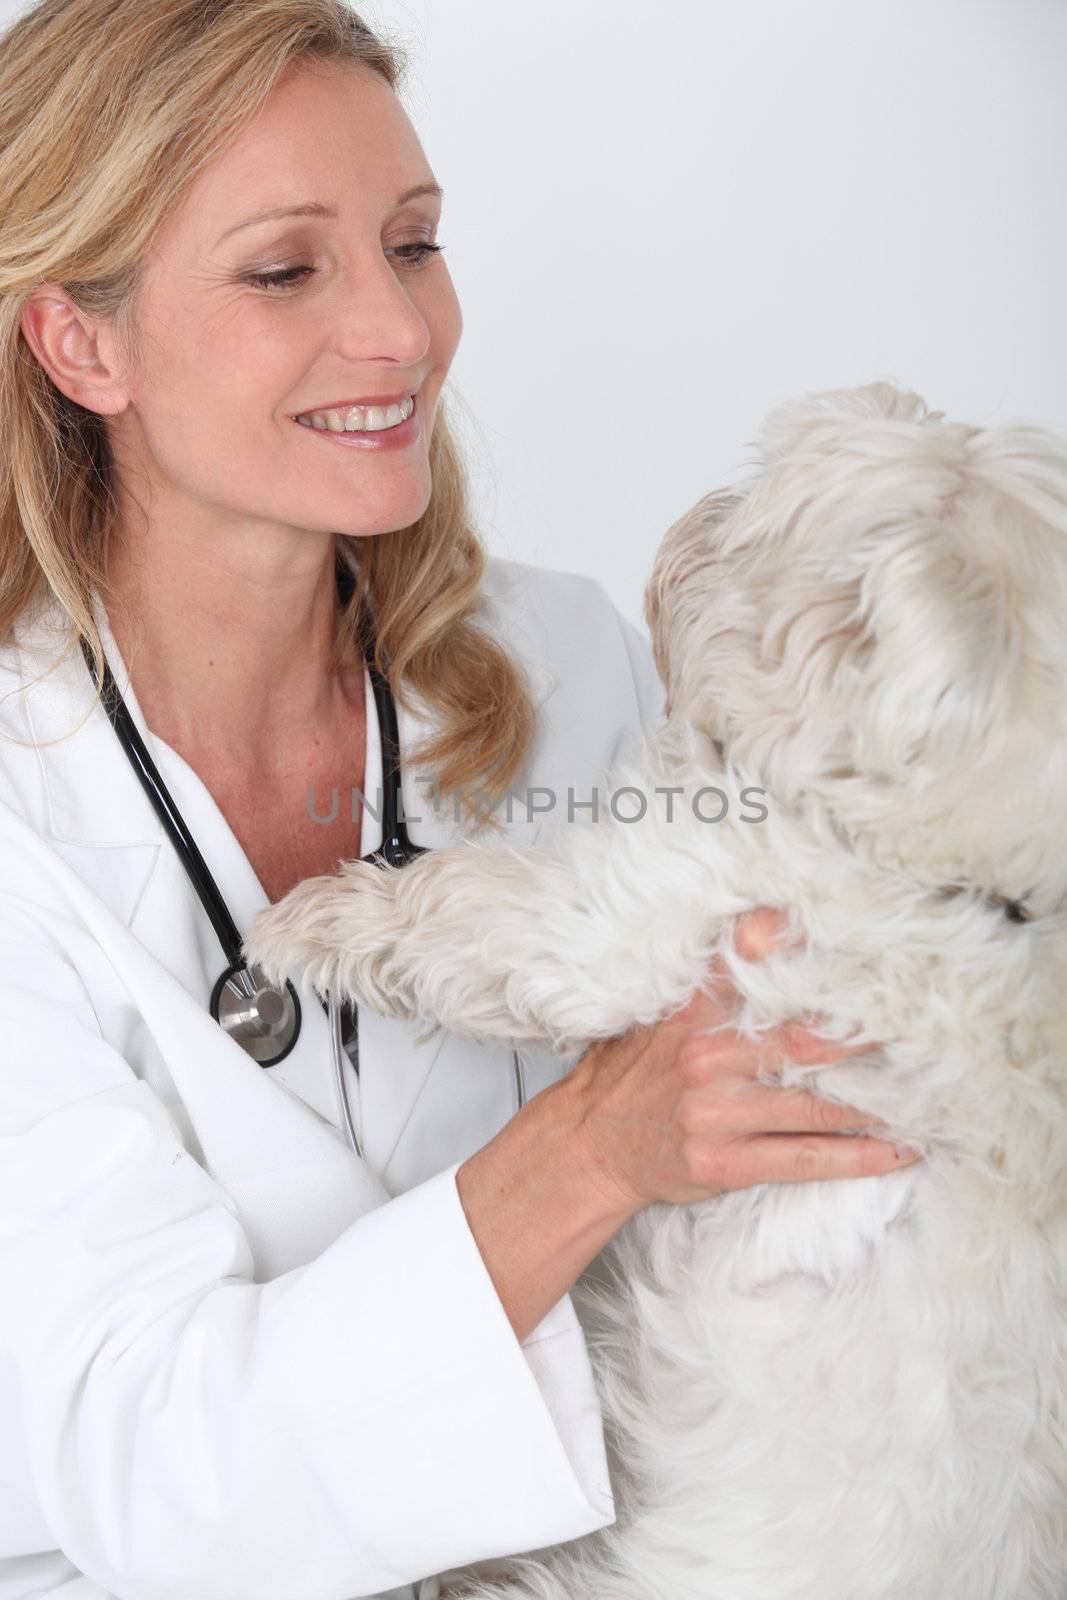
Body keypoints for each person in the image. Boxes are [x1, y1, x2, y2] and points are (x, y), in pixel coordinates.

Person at [0, 3, 921, 1598]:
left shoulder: (570, 661)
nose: (402, 331)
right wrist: (594, 1149)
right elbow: (163, 1472)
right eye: (289, 270)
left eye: (413, 245)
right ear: (83, 343)